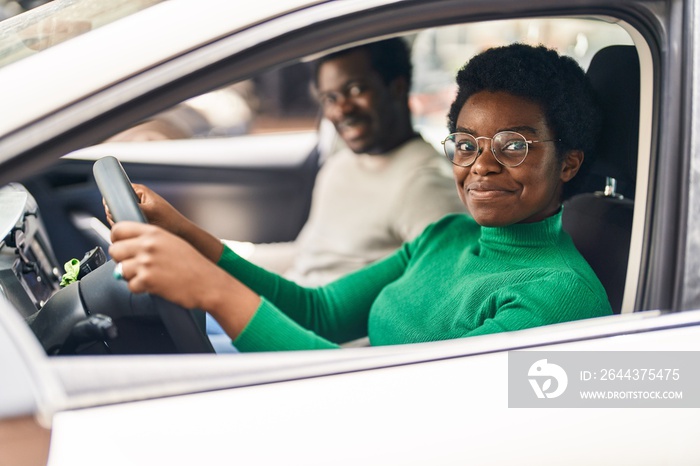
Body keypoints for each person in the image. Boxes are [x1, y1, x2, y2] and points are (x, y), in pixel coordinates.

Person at [107, 43, 613, 352]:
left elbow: (398, 407)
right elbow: (320, 312)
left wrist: (212, 290)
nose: (481, 164)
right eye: (465, 144)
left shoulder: (555, 297)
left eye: (513, 146)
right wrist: (183, 232)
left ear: (568, 161)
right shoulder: (447, 236)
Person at [227, 37, 464, 287]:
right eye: (330, 98)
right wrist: (230, 255)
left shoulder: (426, 183)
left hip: (310, 323)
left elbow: (440, 290)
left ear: (397, 87)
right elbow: (308, 257)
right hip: (288, 305)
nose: (341, 110)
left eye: (355, 90)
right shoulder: (341, 163)